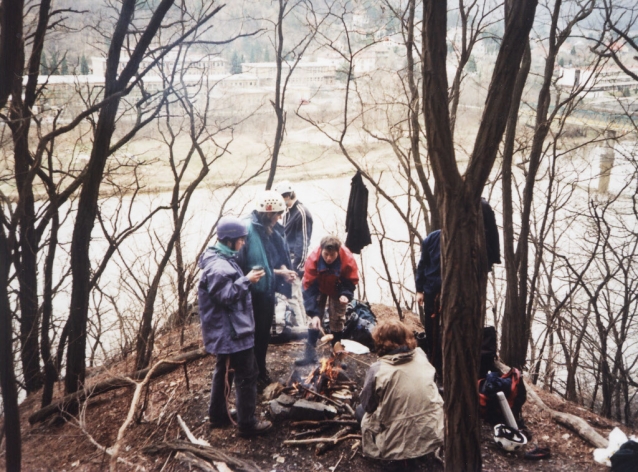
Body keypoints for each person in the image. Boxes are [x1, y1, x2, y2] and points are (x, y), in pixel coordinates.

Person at [198, 216, 272, 436]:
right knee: (248, 374)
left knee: (224, 372)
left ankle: (218, 414)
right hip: (231, 332)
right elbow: (226, 295)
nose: (243, 244)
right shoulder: (219, 268)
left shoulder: (220, 258)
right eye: (240, 240)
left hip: (229, 329)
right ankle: (247, 425)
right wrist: (247, 280)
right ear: (229, 240)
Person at [357, 320, 444, 461]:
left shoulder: (377, 369)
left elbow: (368, 406)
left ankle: (397, 455)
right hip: (433, 432)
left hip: (395, 443)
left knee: (360, 411)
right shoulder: (421, 356)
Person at [237, 190, 297, 390]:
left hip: (266, 292)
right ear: (267, 213)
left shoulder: (268, 229)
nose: (280, 218)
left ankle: (260, 371)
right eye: (278, 214)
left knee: (263, 336)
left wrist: (281, 272)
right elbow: (239, 265)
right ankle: (251, 377)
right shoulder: (246, 229)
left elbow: (267, 262)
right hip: (250, 294)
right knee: (251, 338)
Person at [296, 236, 359, 365]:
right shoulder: (313, 259)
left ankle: (337, 357)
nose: (329, 258)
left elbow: (351, 280)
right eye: (326, 254)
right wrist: (314, 314)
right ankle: (309, 355)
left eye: (332, 255)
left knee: (337, 319)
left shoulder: (347, 258)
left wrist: (346, 294)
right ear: (321, 250)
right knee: (314, 321)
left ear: (338, 251)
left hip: (338, 288)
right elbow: (308, 288)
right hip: (318, 287)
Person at [274, 180, 313, 326]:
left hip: (295, 261)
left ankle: (302, 328)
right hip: (287, 260)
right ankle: (304, 325)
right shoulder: (287, 213)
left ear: (289, 195)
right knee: (296, 296)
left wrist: (298, 267)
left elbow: (303, 241)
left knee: (293, 296)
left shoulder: (301, 212)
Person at [415, 229, 442, 376]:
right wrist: (419, 290)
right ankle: (434, 369)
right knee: (432, 333)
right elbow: (422, 265)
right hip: (432, 292)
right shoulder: (432, 238)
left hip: (453, 295)